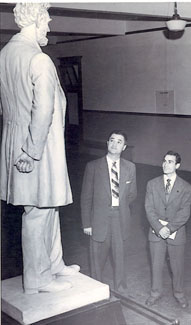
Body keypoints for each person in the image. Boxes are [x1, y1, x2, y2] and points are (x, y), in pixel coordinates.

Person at [0, 3, 80, 294]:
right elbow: (43, 110)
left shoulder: (5, 54)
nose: (48, 26)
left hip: (16, 142)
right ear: (34, 20)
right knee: (36, 213)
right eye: (46, 21)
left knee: (48, 206)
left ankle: (54, 263)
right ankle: (37, 278)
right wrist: (32, 152)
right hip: (38, 146)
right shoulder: (38, 59)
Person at [80, 130, 137, 294]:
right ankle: (95, 286)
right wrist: (87, 223)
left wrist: (120, 205)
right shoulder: (93, 166)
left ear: (124, 147)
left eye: (119, 142)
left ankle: (120, 286)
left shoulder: (130, 167)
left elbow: (133, 193)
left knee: (119, 252)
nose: (115, 144)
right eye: (112, 140)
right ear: (107, 143)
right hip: (98, 218)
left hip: (120, 216)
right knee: (97, 255)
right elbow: (86, 197)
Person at [145, 151, 191, 308]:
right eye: (164, 161)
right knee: (156, 264)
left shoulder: (186, 187)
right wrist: (159, 228)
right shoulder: (152, 184)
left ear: (177, 165)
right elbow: (148, 208)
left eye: (170, 162)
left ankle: (179, 293)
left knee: (177, 266)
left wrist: (169, 228)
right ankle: (155, 292)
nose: (166, 164)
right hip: (156, 232)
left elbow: (184, 213)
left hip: (176, 233)